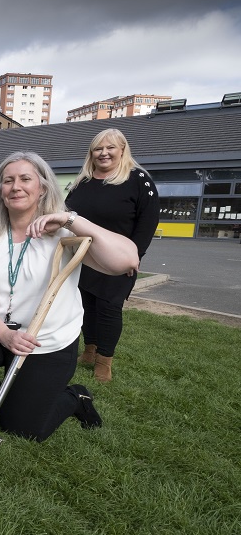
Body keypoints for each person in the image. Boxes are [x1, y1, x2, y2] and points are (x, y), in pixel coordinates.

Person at [0, 152, 139, 441]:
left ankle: (76, 397)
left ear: (42, 187)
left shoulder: (65, 234)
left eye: (25, 179)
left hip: (45, 340)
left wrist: (70, 219)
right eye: (8, 181)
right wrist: (4, 335)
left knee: (24, 428)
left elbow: (127, 260)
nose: (16, 186)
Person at [66, 128, 160, 382]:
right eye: (98, 148)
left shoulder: (138, 179)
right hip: (84, 256)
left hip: (118, 258)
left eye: (110, 148)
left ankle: (104, 361)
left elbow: (148, 220)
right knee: (86, 305)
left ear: (122, 150)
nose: (104, 153)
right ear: (91, 153)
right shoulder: (82, 181)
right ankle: (89, 350)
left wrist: (135, 255)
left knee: (108, 307)